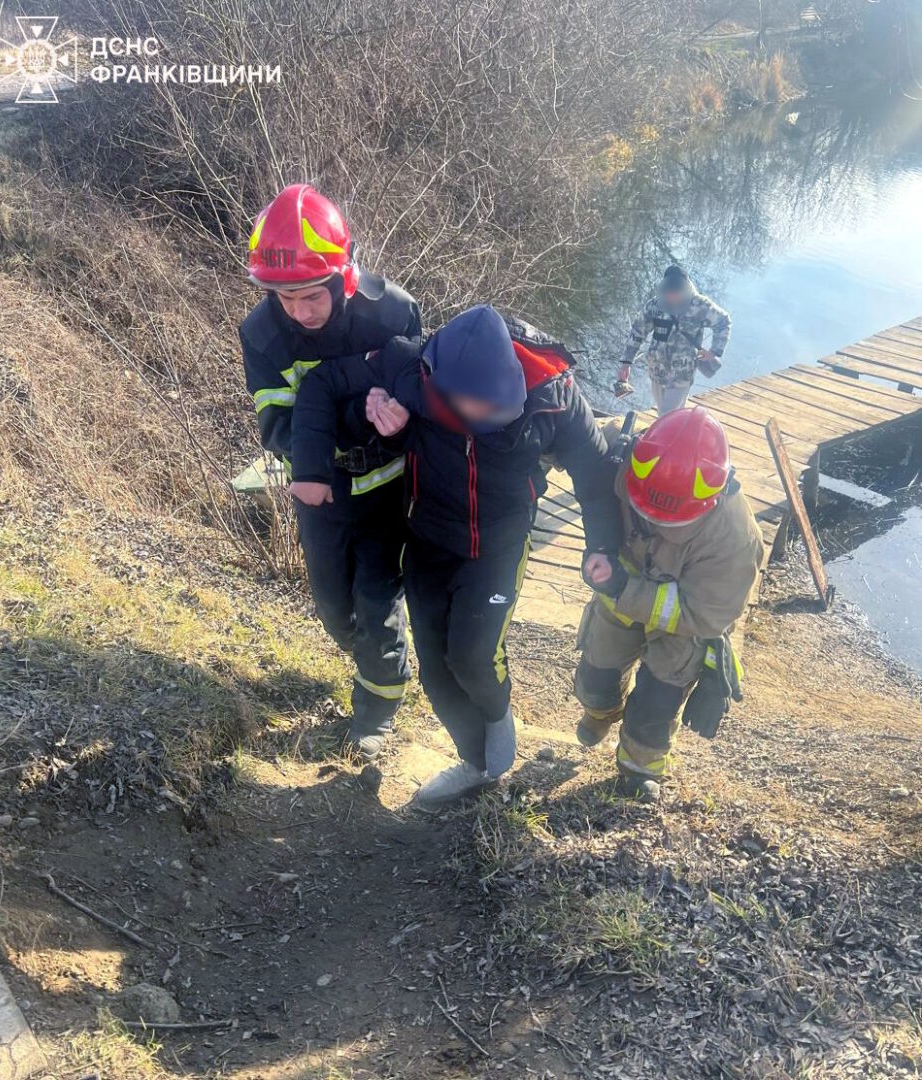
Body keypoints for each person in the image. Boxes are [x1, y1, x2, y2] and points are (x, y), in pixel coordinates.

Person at [290, 305, 619, 807]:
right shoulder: (408, 364)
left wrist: (601, 545)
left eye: (498, 408)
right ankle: (475, 763)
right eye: (476, 410)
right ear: (436, 383)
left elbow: (595, 472)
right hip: (427, 537)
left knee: (474, 656)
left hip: (501, 542)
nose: (490, 418)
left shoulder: (552, 393)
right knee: (435, 668)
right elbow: (321, 385)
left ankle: (498, 744)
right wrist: (319, 462)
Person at [239, 183, 422, 760]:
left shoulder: (391, 311)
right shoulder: (262, 335)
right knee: (332, 607)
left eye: (311, 296)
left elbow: (425, 396)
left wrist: (398, 416)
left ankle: (377, 710)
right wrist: (348, 416)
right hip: (320, 492)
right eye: (284, 298)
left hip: (389, 486)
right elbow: (275, 427)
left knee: (375, 595)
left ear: (343, 276)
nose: (300, 311)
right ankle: (376, 654)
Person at [575, 407, 764, 802]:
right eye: (641, 508)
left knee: (656, 704)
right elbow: (571, 434)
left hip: (681, 624)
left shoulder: (736, 540)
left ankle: (638, 769)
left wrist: (624, 587)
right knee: (596, 676)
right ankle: (600, 712)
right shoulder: (624, 449)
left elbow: (706, 614)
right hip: (617, 596)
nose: (650, 521)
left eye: (667, 520)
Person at [616, 265, 731, 414]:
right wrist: (626, 362)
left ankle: (664, 435)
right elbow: (638, 332)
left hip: (682, 372)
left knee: (667, 415)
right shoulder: (654, 306)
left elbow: (723, 322)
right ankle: (676, 433)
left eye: (676, 291)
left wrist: (715, 350)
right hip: (657, 370)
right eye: (669, 292)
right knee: (665, 413)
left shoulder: (700, 305)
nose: (672, 296)